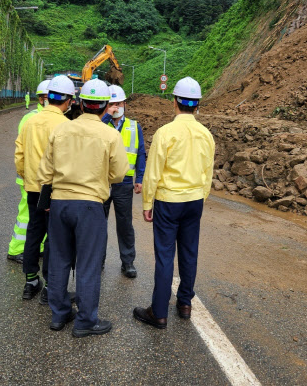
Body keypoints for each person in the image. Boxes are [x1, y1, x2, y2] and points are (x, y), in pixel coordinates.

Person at [38, 79, 129, 336]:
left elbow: (45, 171)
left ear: (79, 103)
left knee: (58, 260)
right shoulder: (110, 134)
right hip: (90, 205)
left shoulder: (61, 130)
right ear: (104, 107)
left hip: (59, 203)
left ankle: (59, 315)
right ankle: (86, 321)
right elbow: (120, 173)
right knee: (88, 263)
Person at [133, 77, 215, 329]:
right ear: (197, 104)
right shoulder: (206, 134)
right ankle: (185, 304)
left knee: (165, 256)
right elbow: (207, 172)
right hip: (194, 200)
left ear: (175, 102)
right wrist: (201, 198)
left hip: (169, 202)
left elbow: (153, 171)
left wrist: (148, 202)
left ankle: (159, 312)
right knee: (189, 252)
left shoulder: (165, 133)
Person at [15, 75, 75, 303]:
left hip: (32, 187)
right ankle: (50, 286)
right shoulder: (66, 126)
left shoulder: (29, 121)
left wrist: (27, 176)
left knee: (33, 232)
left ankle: (30, 281)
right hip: (56, 191)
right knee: (54, 238)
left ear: (47, 97)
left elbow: (19, 156)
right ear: (68, 100)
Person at [101, 85, 146, 278]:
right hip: (101, 181)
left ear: (125, 104)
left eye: (118, 103)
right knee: (98, 223)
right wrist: (105, 117)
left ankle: (128, 262)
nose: (115, 107)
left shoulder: (134, 126)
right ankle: (97, 260)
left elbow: (141, 152)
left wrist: (140, 178)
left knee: (125, 223)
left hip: (124, 182)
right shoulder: (100, 125)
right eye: (111, 104)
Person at [7, 80, 50, 263]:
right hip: (31, 177)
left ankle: (38, 247)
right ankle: (16, 249)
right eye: (48, 97)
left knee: (38, 214)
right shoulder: (32, 118)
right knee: (27, 215)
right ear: (41, 99)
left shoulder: (41, 117)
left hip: (35, 176)